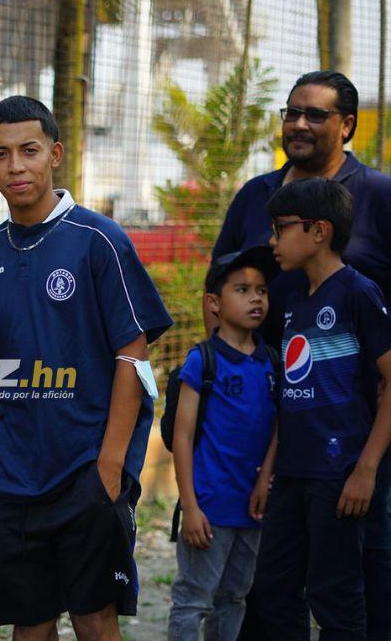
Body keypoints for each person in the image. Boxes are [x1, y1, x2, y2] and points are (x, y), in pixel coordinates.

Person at [0, 95, 172, 640]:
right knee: (30, 622)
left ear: (55, 154)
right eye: (1, 154)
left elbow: (132, 357)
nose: (15, 166)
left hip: (87, 468)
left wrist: (111, 467)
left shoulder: (99, 240)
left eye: (28, 150)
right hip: (12, 471)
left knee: (95, 617)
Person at [210, 70, 391, 641]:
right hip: (278, 425)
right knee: (267, 579)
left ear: (347, 126)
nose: (299, 124)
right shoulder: (255, 198)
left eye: (315, 114)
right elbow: (217, 291)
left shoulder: (379, 199)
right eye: (292, 113)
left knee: (357, 573)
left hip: (359, 426)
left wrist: (368, 461)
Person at [252, 177, 391, 639]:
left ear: (319, 231)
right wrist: (269, 471)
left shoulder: (358, 292)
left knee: (336, 596)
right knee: (274, 590)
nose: (273, 241)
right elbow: (290, 396)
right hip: (292, 473)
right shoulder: (293, 300)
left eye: (281, 228)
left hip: (338, 474)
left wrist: (366, 469)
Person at [167, 247, 280, 641]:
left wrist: (265, 478)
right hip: (210, 508)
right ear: (214, 303)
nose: (256, 299)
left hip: (252, 510)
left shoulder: (270, 361)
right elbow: (182, 436)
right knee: (193, 599)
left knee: (234, 597)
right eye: (243, 289)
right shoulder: (203, 361)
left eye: (262, 291)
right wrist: (191, 506)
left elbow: (278, 424)